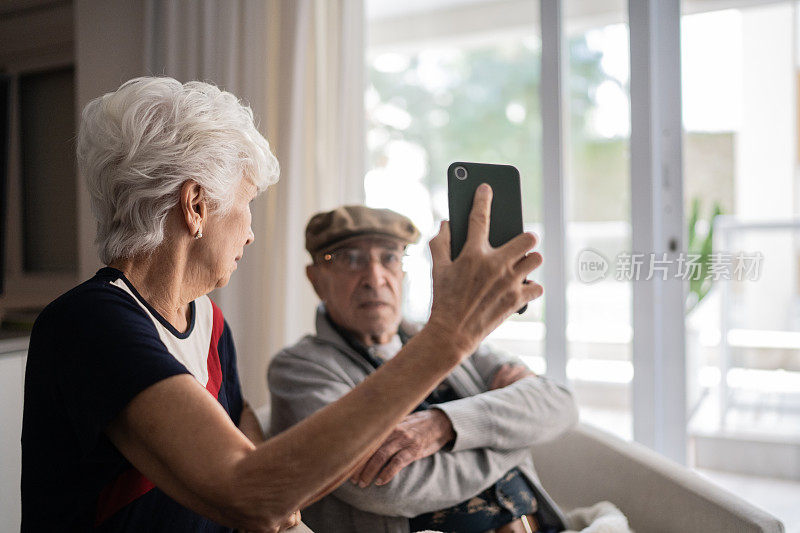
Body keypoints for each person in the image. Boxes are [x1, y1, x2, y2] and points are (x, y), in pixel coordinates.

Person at [20, 76, 545, 533]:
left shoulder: (208, 320)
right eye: (247, 205)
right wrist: (449, 335)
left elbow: (263, 486)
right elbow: (250, 495)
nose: (250, 234)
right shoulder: (90, 323)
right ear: (196, 205)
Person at [268, 206, 579, 533]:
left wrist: (445, 425)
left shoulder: (439, 338)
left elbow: (560, 403)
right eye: (350, 259)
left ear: (402, 272)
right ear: (316, 278)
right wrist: (513, 436)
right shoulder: (300, 369)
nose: (375, 279)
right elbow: (384, 487)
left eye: (389, 258)